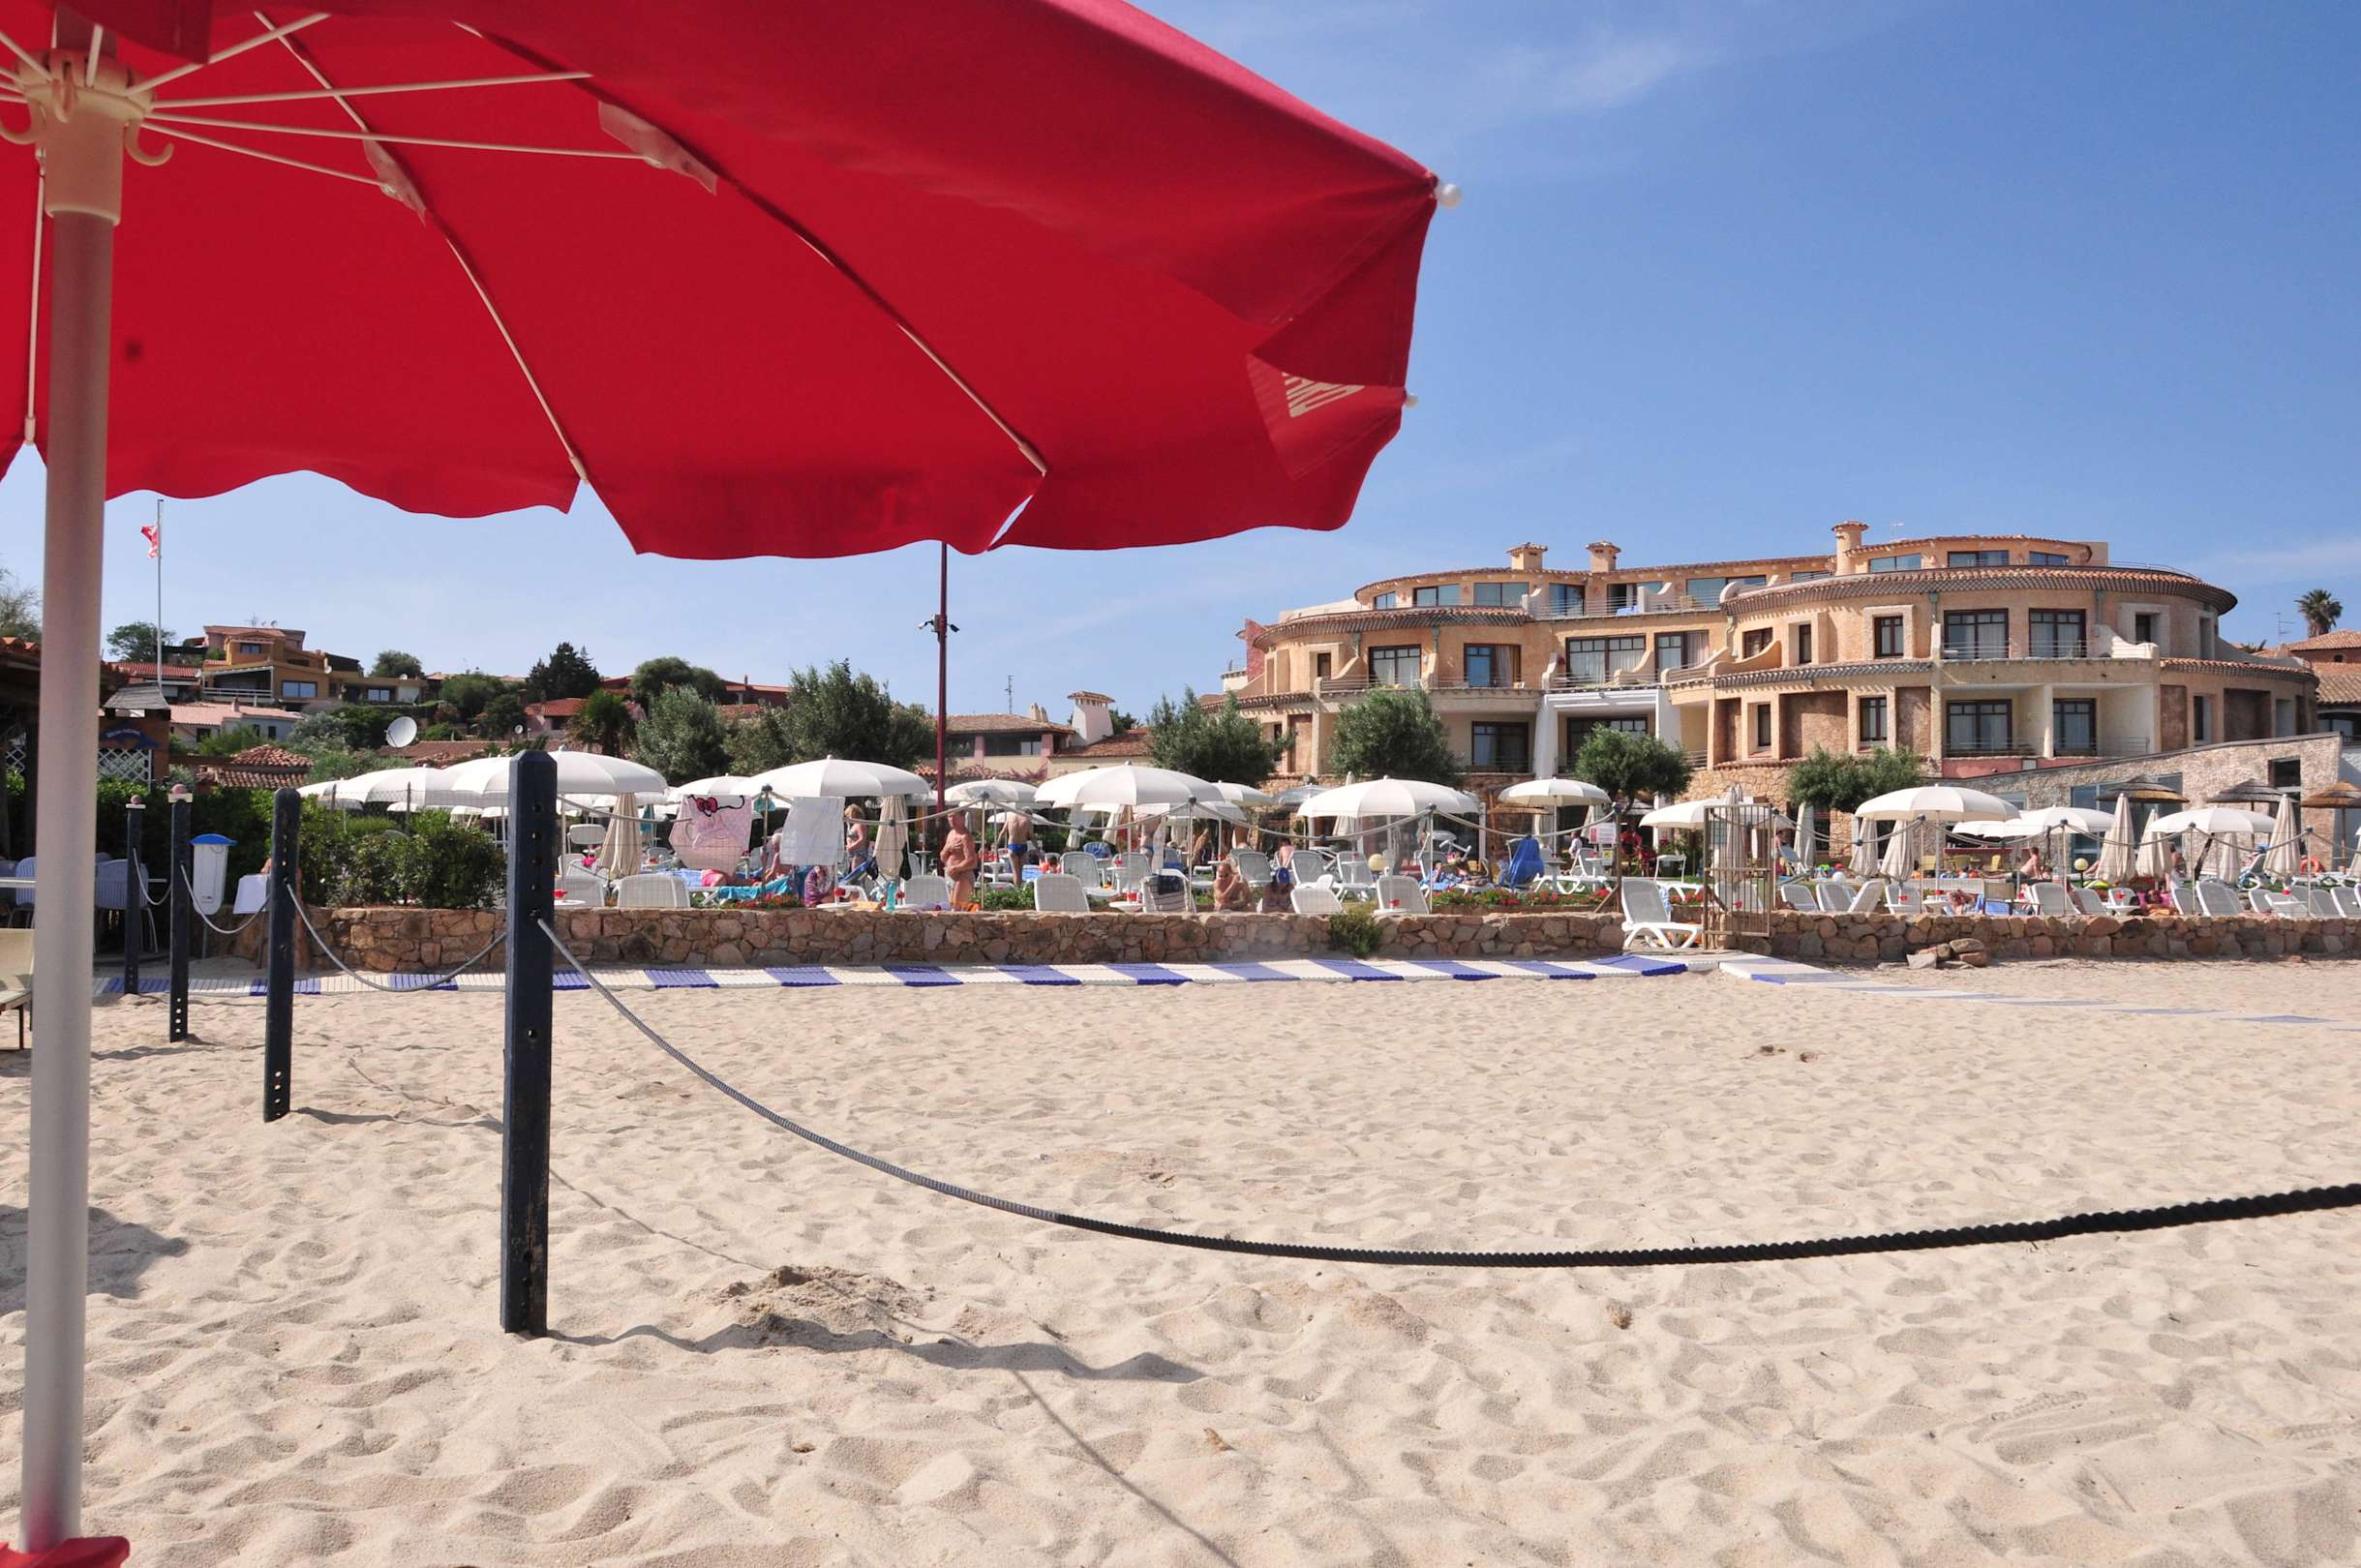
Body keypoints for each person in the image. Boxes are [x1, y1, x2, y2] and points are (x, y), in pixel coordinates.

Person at [938, 815, 979, 908]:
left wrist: (955, 868)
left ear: (962, 818)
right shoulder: (951, 834)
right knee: (950, 908)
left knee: (958, 908)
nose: (952, 820)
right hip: (950, 877)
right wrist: (948, 847)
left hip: (963, 875)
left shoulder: (965, 837)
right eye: (949, 817)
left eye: (955, 817)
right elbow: (942, 857)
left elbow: (972, 862)